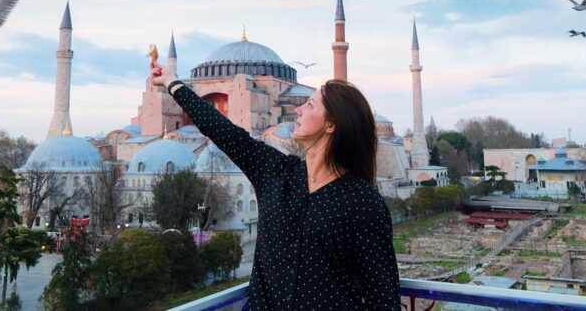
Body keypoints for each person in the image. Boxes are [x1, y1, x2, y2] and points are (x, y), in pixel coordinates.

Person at [151, 66, 400, 310]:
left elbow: (383, 296)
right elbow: (220, 129)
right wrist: (173, 83)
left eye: (310, 105)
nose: (297, 109)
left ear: (331, 124)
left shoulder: (363, 201)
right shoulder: (276, 172)